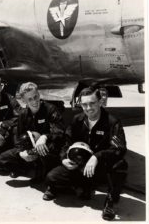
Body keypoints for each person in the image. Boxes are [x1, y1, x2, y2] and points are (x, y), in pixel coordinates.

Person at [43, 87, 127, 221]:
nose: (88, 108)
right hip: (79, 165)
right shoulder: (77, 119)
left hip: (99, 168)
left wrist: (97, 156)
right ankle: (81, 186)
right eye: (84, 104)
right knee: (51, 178)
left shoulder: (112, 122)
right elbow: (66, 142)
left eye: (92, 103)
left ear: (100, 102)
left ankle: (110, 202)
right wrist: (64, 158)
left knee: (120, 165)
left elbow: (120, 149)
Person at [0, 82, 66, 182]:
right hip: (30, 149)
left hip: (47, 148)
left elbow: (59, 132)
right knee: (1, 159)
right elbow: (19, 137)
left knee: (47, 162)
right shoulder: (23, 115)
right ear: (24, 101)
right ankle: (23, 167)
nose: (34, 101)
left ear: (39, 94)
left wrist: (45, 137)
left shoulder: (50, 109)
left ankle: (43, 170)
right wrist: (22, 153)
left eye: (35, 96)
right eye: (30, 99)